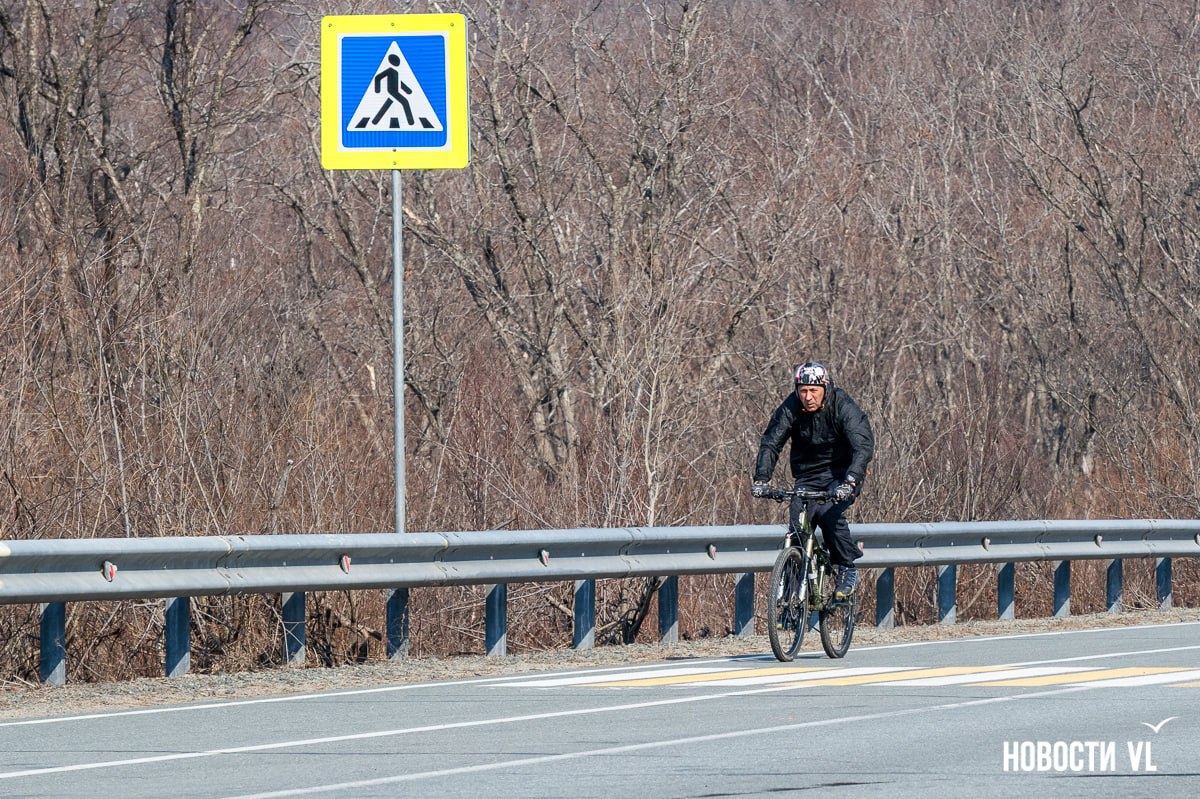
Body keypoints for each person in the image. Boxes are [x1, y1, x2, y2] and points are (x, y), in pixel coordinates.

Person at [751, 361, 874, 599]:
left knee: (828, 515)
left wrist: (851, 480)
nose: (808, 397)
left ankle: (846, 568)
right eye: (803, 391)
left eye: (813, 391)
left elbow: (863, 445)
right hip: (807, 476)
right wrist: (761, 479)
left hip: (842, 474)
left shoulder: (841, 404)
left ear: (825, 388)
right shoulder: (792, 406)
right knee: (797, 527)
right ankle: (790, 599)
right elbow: (771, 442)